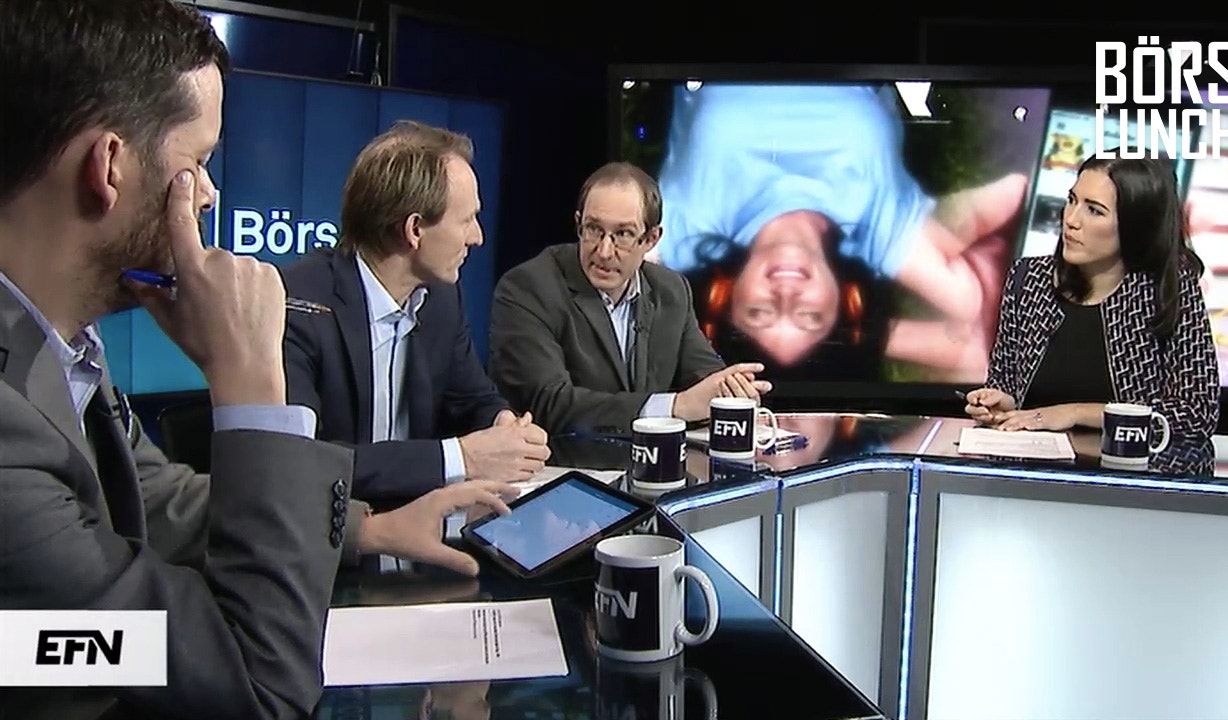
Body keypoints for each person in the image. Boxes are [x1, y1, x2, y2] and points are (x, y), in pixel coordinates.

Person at [0, 4, 513, 719]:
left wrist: (366, 530)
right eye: (198, 163)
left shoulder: (64, 354)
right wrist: (251, 390)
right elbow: (257, 685)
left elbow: (156, 501)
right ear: (109, 166)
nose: (210, 194)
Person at [654, 83, 1026, 378]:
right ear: (842, 301)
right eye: (810, 317)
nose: (786, 297)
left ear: (725, 296)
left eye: (759, 312)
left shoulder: (684, 227)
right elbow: (972, 339)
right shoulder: (882, 228)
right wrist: (867, 333)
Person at [282, 121, 550, 499]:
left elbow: (471, 399)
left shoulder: (441, 299)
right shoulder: (297, 306)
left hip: (426, 523)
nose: (477, 237)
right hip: (332, 529)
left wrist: (503, 425)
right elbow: (302, 463)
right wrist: (461, 458)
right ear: (414, 230)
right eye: (467, 220)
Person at [488, 162, 772, 435]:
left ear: (651, 239)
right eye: (594, 229)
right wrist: (675, 406)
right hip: (560, 462)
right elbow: (548, 404)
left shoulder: (670, 290)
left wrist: (730, 390)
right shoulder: (529, 288)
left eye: (623, 234)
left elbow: (703, 375)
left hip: (653, 462)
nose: (604, 251)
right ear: (578, 224)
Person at [965, 153, 1220, 449]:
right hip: (1030, 465)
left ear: (1135, 224)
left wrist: (1075, 413)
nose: (1071, 220)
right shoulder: (1028, 279)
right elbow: (1006, 384)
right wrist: (1000, 404)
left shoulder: (1168, 289)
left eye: (1094, 211)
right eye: (1072, 200)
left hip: (1125, 472)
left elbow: (1197, 414)